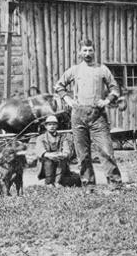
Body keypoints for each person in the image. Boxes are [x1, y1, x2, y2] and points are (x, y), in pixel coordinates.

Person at [54, 40, 123, 189]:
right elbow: (59, 86)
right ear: (80, 52)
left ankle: (115, 185)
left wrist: (106, 101)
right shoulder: (74, 70)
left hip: (97, 116)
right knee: (83, 155)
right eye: (84, 50)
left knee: (106, 151)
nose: (87, 53)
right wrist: (68, 100)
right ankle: (88, 186)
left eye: (90, 50)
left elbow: (115, 89)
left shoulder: (102, 69)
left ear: (94, 51)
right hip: (78, 116)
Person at [36, 115, 73, 187]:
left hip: (59, 159)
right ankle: (49, 182)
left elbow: (66, 149)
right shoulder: (41, 138)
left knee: (62, 160)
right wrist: (49, 155)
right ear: (46, 126)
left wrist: (64, 154)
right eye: (49, 124)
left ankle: (58, 181)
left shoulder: (62, 137)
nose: (52, 126)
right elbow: (39, 150)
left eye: (54, 124)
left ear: (57, 126)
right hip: (46, 161)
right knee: (48, 161)